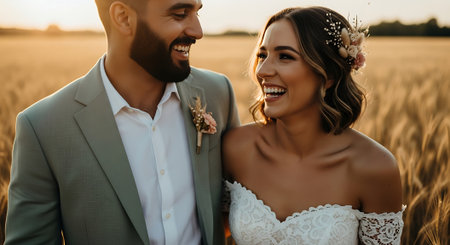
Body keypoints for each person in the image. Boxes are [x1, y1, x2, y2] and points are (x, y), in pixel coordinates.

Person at [5, 0, 239, 244]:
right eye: (180, 14)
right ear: (124, 18)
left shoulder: (218, 94)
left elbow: (240, 210)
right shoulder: (43, 127)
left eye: (197, 13)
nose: (197, 31)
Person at [223, 6, 405, 244]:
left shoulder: (374, 167)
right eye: (262, 55)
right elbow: (211, 230)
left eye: (285, 56)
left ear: (328, 75)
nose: (263, 70)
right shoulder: (236, 147)